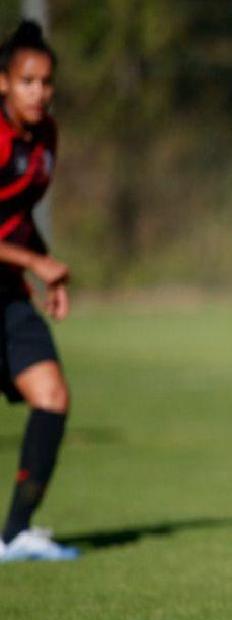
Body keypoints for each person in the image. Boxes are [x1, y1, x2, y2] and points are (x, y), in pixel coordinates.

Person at [0, 21, 77, 563]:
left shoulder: (45, 134)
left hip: (8, 294)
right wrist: (36, 262)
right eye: (27, 81)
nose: (39, 91)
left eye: (46, 81)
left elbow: (17, 212)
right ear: (3, 82)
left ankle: (14, 536)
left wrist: (44, 268)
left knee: (51, 397)